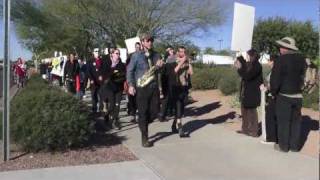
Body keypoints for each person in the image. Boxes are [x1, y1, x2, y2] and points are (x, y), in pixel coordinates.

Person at [271, 37, 307, 152]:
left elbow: (275, 80)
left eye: (280, 47)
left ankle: (284, 146)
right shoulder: (302, 59)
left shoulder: (281, 60)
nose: (279, 49)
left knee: (284, 122)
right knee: (296, 122)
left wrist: (273, 92)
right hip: (298, 96)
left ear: (284, 48)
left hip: (284, 96)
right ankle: (294, 147)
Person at [127, 33, 163, 147]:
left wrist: (160, 66)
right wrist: (131, 85)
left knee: (155, 111)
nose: (150, 42)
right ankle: (144, 136)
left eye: (151, 40)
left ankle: (143, 123)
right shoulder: (136, 56)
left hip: (153, 87)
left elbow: (160, 71)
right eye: (147, 40)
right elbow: (130, 71)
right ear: (142, 42)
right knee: (142, 112)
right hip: (141, 88)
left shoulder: (156, 55)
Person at [164, 46, 193, 137]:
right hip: (176, 87)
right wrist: (182, 62)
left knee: (180, 109)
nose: (183, 53)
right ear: (178, 52)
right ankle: (180, 129)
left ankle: (173, 126)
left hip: (184, 86)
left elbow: (191, 73)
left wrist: (189, 62)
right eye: (181, 52)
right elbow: (174, 71)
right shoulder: (174, 61)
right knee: (178, 106)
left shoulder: (186, 61)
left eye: (184, 52)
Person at [235, 49, 263, 137]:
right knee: (244, 111)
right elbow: (244, 67)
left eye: (247, 55)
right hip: (245, 92)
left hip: (252, 93)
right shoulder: (250, 64)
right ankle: (245, 129)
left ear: (252, 56)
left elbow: (247, 76)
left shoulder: (257, 66)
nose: (246, 57)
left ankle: (254, 131)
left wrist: (239, 69)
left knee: (252, 112)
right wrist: (240, 57)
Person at [100, 48, 126, 129]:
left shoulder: (121, 65)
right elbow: (104, 75)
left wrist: (120, 76)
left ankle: (115, 121)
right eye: (116, 53)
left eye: (119, 53)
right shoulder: (107, 63)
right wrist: (112, 69)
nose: (118, 55)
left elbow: (123, 75)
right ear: (112, 54)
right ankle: (106, 115)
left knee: (117, 106)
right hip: (110, 88)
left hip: (119, 88)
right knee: (111, 107)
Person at [260, 55, 278, 144]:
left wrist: (267, 88)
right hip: (272, 96)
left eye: (269, 61)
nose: (268, 62)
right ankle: (274, 137)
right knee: (273, 117)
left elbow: (273, 84)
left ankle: (271, 138)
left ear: (273, 61)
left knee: (270, 117)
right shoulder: (274, 71)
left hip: (273, 96)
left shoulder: (275, 71)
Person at [87, 48, 108, 113]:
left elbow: (105, 70)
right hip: (93, 82)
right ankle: (94, 109)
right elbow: (89, 71)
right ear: (93, 53)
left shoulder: (103, 61)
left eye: (98, 51)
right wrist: (91, 79)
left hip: (101, 82)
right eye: (96, 51)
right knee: (94, 96)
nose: (97, 52)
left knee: (101, 96)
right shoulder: (90, 61)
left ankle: (101, 109)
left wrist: (103, 76)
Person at [159, 46, 176, 122]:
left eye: (172, 49)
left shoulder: (172, 58)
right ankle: (163, 114)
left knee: (169, 98)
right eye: (170, 50)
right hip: (167, 79)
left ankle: (166, 113)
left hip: (170, 79)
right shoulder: (168, 58)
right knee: (166, 98)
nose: (172, 51)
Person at [125, 42, 141, 123]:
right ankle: (133, 115)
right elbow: (127, 68)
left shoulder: (143, 55)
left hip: (140, 80)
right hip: (132, 80)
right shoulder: (131, 56)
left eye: (139, 47)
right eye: (136, 47)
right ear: (135, 48)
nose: (138, 48)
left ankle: (138, 114)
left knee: (139, 98)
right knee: (132, 98)